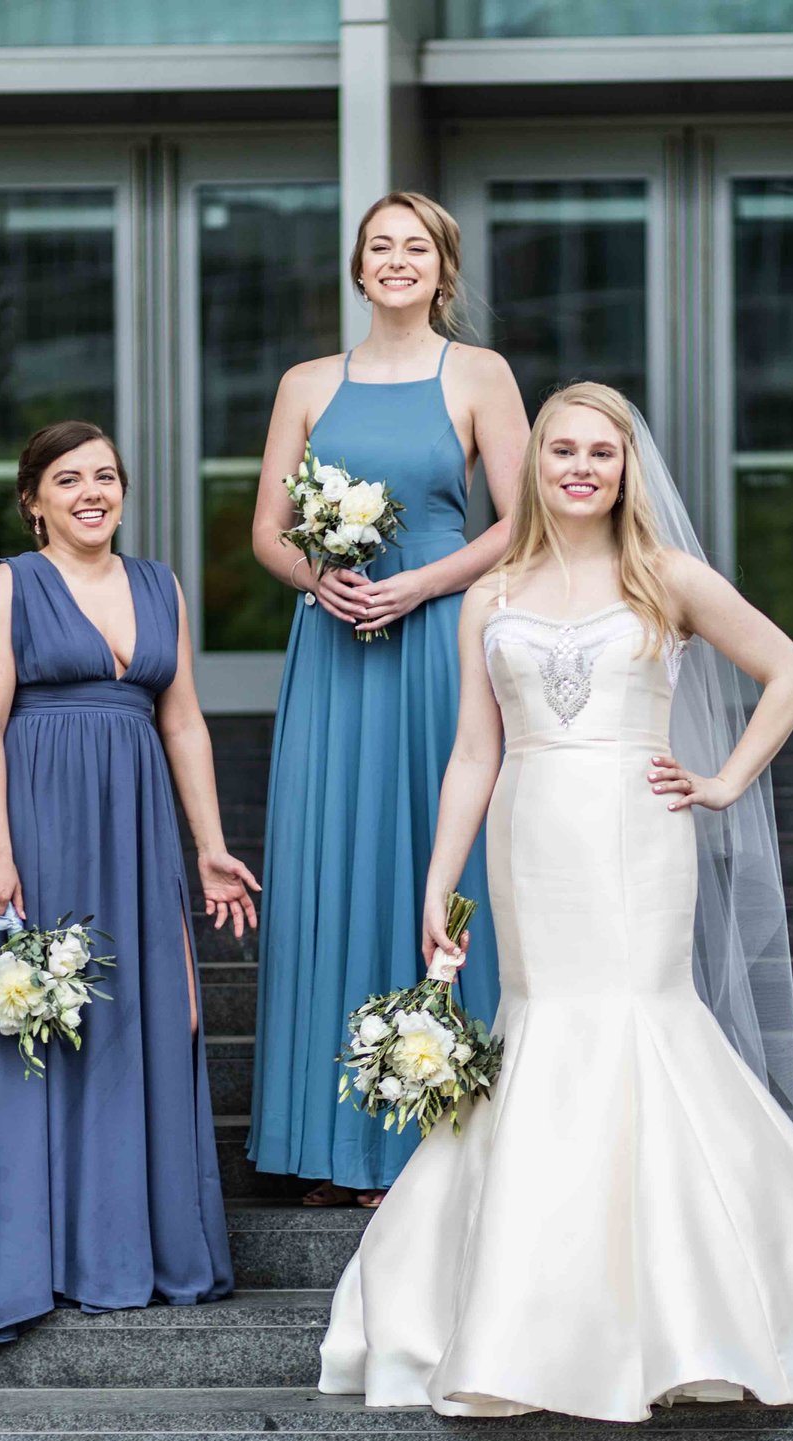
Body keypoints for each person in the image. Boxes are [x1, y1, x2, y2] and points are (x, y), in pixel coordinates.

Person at [317, 382, 793, 1421]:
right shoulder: (490, 594)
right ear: (533, 463)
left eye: (601, 452)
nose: (580, 467)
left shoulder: (669, 578)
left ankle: (698, 1310)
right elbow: (475, 750)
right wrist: (439, 882)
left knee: (647, 1022)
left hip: (640, 831)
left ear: (624, 468)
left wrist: (723, 778)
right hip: (529, 828)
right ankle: (522, 1315)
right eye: (562, 449)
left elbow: (789, 673)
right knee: (541, 1029)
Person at [243, 191, 530, 1208]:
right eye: (380, 248)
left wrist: (423, 581)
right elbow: (268, 532)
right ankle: (333, 1141)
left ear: (441, 268)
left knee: (429, 858)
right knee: (337, 862)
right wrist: (315, 578)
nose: (397, 262)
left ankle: (439, 1126)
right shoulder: (308, 382)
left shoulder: (480, 374)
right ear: (357, 269)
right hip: (334, 645)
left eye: (417, 247)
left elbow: (521, 518)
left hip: (438, 643)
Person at [0, 422, 259, 1342]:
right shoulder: (11, 584)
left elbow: (185, 726)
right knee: (53, 1021)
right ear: (34, 501)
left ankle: (148, 1248)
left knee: (144, 1018)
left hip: (139, 829)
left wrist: (207, 841)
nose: (92, 491)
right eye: (68, 478)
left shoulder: (159, 583)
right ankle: (51, 1257)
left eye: (106, 476)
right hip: (44, 823)